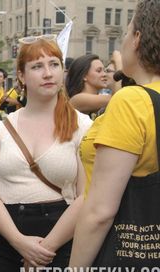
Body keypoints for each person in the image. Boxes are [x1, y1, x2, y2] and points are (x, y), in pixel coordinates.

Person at [0, 35, 92, 272]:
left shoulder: (83, 126)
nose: (48, 73)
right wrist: (18, 242)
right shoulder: (0, 130)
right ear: (21, 75)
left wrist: (45, 248)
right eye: (37, 66)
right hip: (6, 239)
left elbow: (86, 196)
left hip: (62, 238)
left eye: (54, 64)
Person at [70, 0, 160, 267]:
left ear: (137, 39)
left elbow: (100, 211)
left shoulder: (133, 101)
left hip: (130, 249)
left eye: (125, 33)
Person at [65, 54, 109, 119]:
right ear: (84, 76)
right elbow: (117, 98)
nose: (104, 74)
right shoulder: (78, 99)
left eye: (105, 71)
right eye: (99, 71)